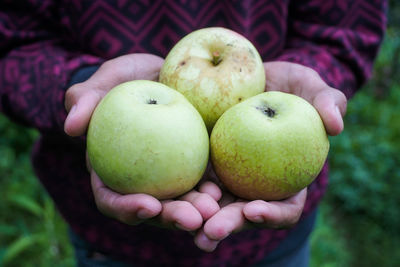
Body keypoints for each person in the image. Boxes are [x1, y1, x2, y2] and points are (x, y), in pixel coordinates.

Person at [0, 0, 386, 266]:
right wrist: (86, 88)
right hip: (110, 236)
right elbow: (12, 40)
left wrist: (307, 83)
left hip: (273, 241)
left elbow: (343, 28)